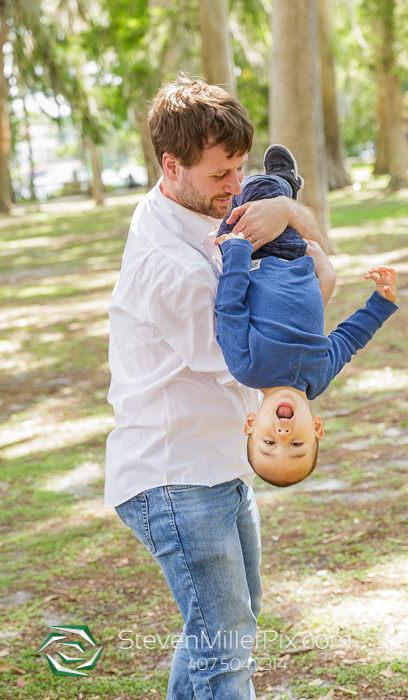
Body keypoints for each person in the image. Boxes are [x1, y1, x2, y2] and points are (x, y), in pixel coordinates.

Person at [104, 77, 323, 700]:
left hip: (215, 465)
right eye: (221, 173)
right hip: (173, 477)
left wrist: (287, 210)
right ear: (170, 166)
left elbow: (301, 242)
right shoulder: (163, 262)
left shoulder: (206, 213)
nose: (235, 187)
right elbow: (258, 351)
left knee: (223, 629)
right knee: (225, 646)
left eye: (242, 169)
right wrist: (315, 285)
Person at [214, 147, 398, 488]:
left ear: (251, 424)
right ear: (317, 429)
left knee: (256, 194)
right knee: (272, 197)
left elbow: (230, 309)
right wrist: (381, 303)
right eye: (296, 445)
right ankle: (284, 183)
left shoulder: (247, 368)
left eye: (269, 444)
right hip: (301, 255)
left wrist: (236, 254)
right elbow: (348, 339)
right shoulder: (320, 375)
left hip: (257, 251)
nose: (283, 434)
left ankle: (280, 181)